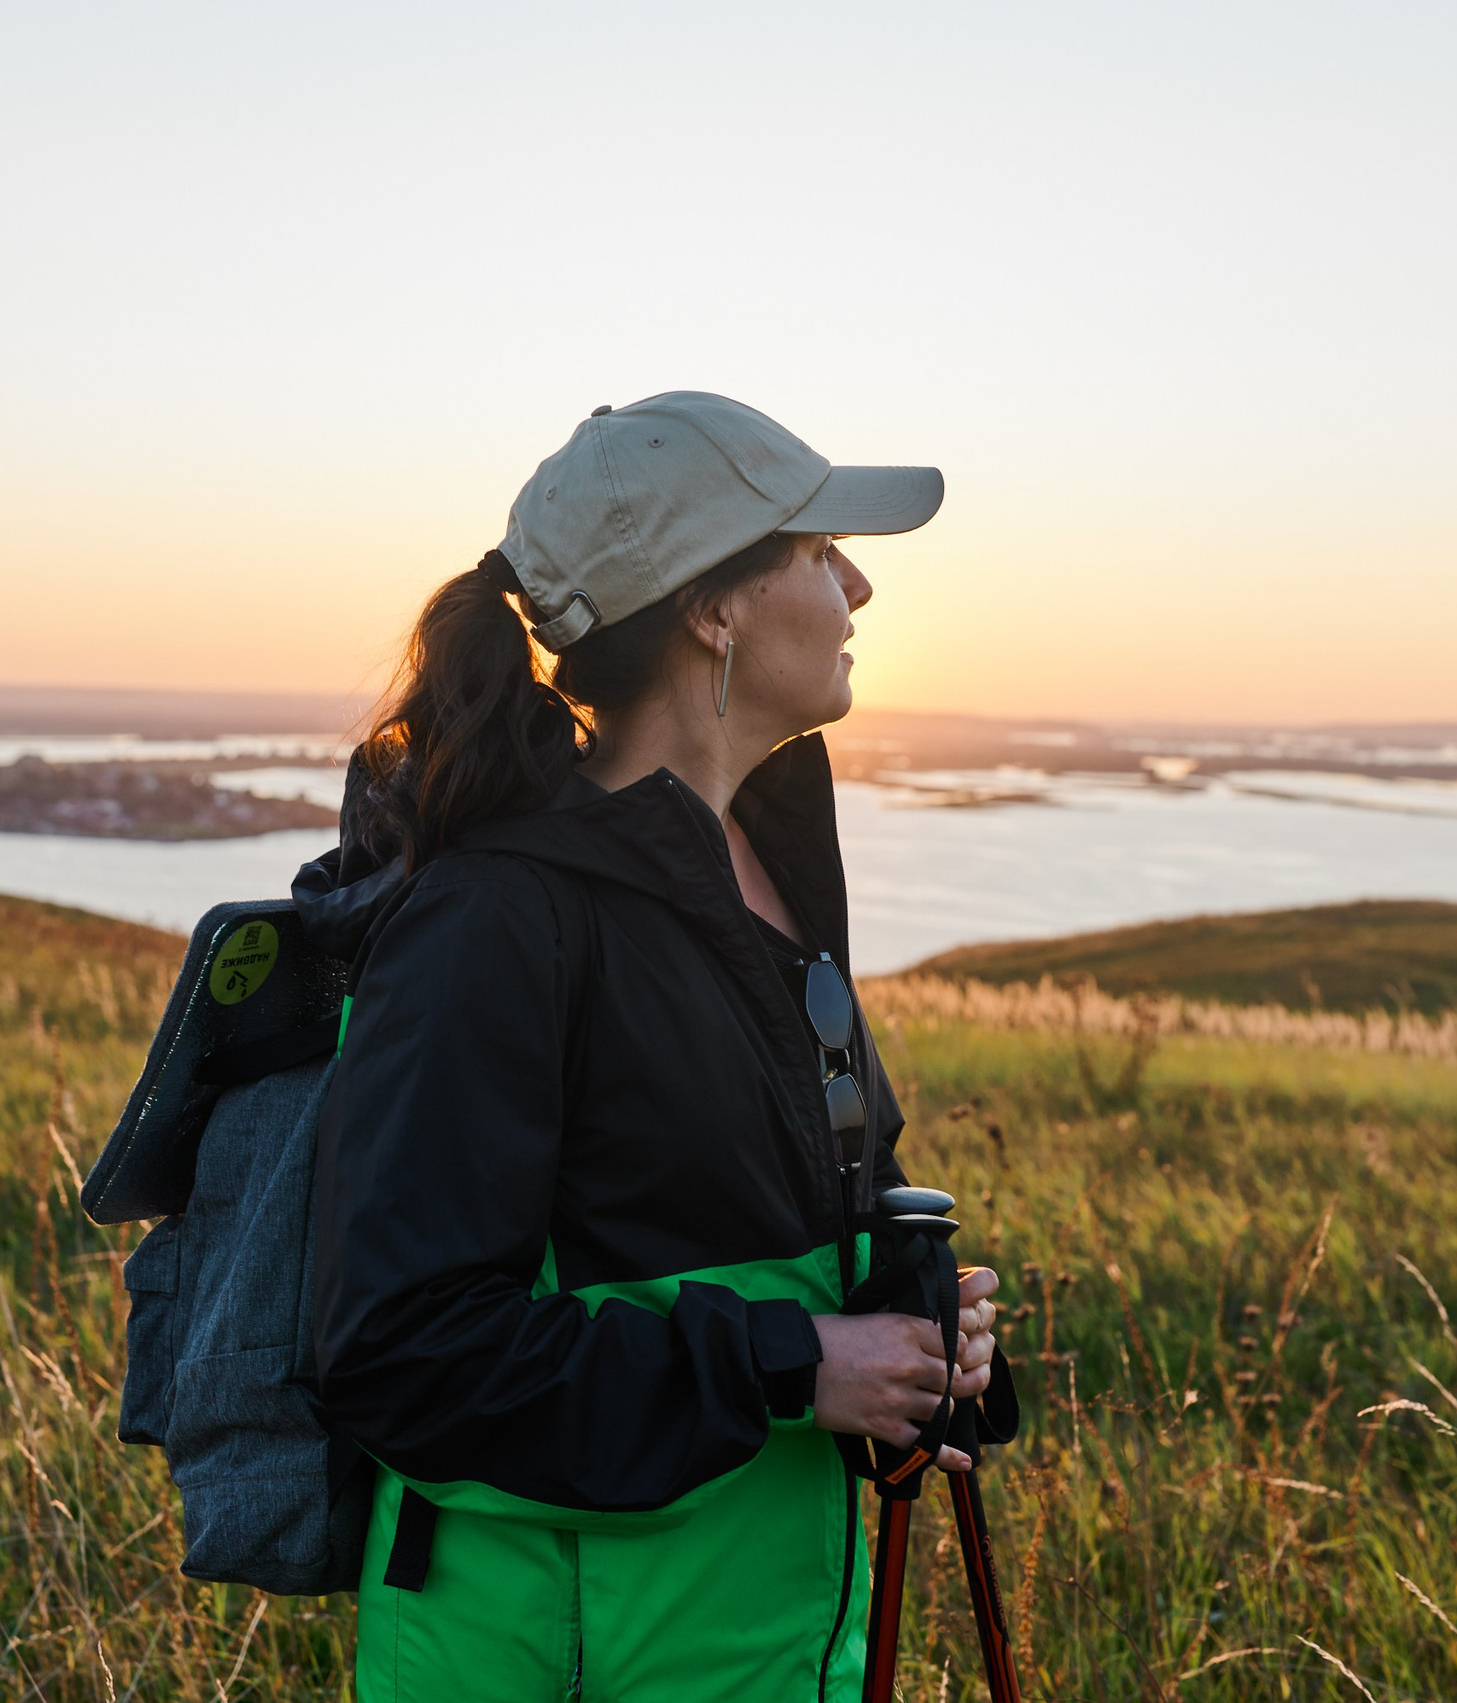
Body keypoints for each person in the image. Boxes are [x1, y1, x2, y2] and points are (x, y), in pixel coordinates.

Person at [297, 392, 1001, 1702]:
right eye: (815, 549)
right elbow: (404, 1356)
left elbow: (751, 1249)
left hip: (764, 1645)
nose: (857, 583)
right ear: (710, 610)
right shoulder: (494, 921)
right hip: (550, 1662)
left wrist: (904, 1341)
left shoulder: (770, 872)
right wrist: (798, 1364)